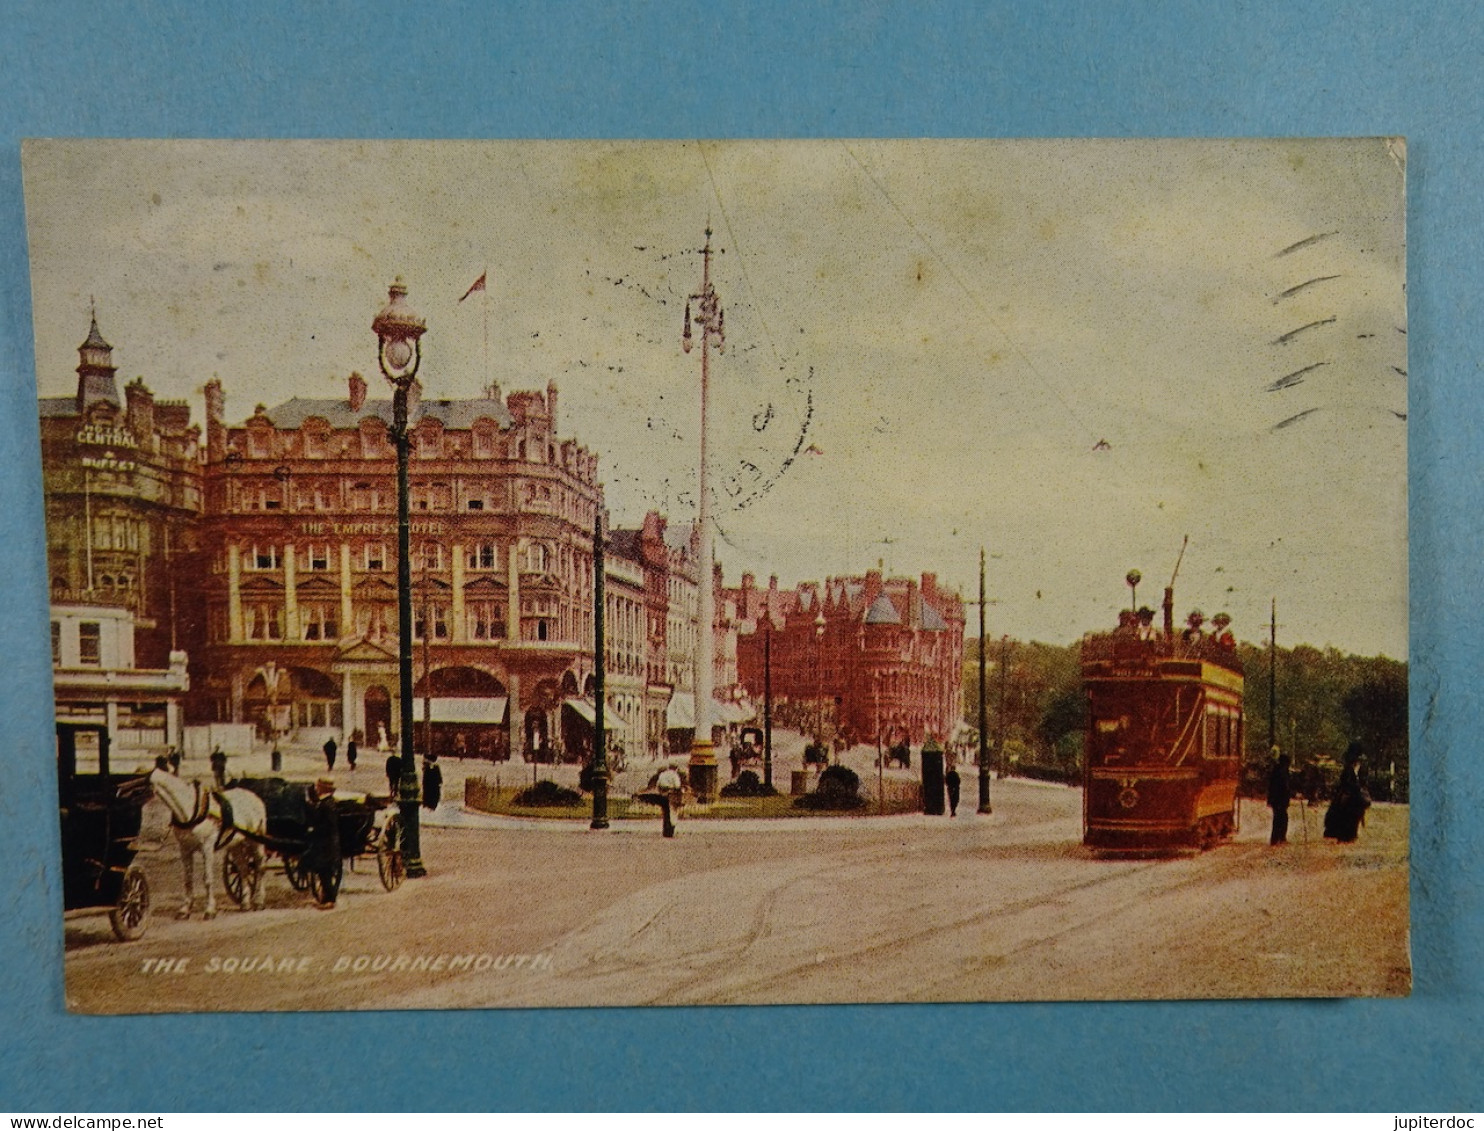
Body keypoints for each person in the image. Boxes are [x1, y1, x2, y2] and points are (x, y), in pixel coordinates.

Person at [1324, 741, 1371, 843]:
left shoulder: (1359, 768)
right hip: (1349, 793)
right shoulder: (1348, 768)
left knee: (1352, 816)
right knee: (1345, 815)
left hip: (1354, 794)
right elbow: (1346, 782)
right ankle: (1345, 835)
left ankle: (1350, 835)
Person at [1267, 747, 1291, 845]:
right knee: (1280, 819)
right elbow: (1284, 786)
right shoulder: (1282, 772)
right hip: (1280, 799)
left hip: (1276, 799)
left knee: (1279, 818)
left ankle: (1277, 838)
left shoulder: (1277, 770)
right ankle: (1278, 838)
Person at [653, 763, 684, 838]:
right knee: (672, 813)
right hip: (671, 795)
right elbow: (677, 785)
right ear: (675, 769)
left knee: (665, 813)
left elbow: (658, 784)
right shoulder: (674, 775)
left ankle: (665, 831)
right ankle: (670, 831)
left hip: (663, 795)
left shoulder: (662, 774)